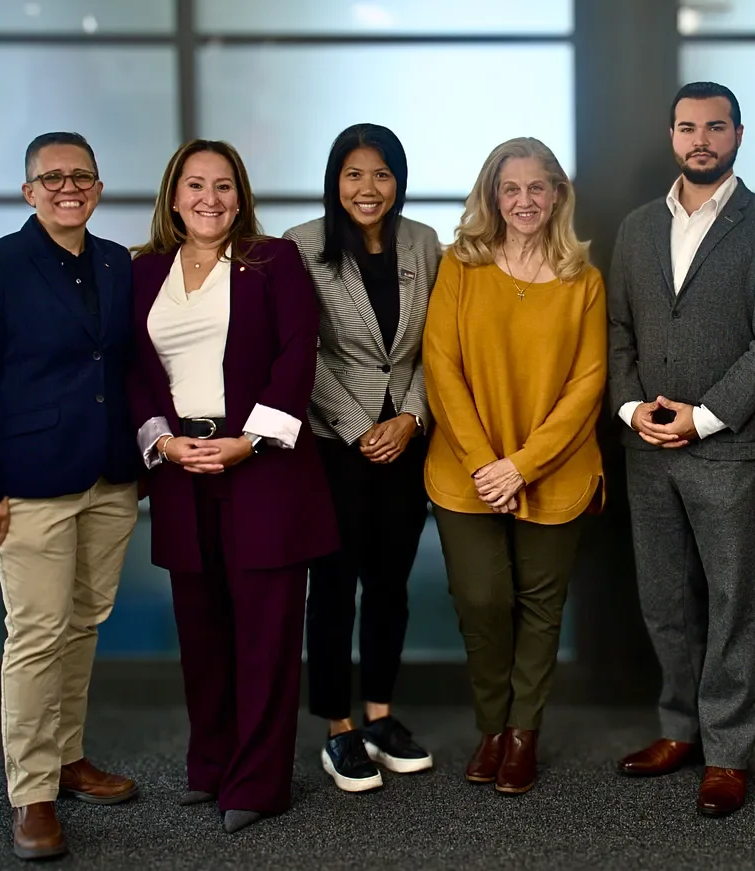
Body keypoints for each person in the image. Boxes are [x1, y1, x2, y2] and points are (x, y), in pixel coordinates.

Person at [128, 140, 338, 834]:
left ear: (240, 196)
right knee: (202, 631)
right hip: (181, 464)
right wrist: (162, 441)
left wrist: (251, 439)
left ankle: (258, 782)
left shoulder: (274, 259)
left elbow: (297, 353)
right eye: (195, 184)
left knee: (266, 634)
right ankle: (212, 764)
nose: (209, 198)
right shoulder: (143, 269)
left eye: (223, 185)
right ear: (173, 195)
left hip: (263, 464)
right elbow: (133, 370)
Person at [609, 82, 755, 817]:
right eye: (688, 127)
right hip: (647, 444)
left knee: (733, 603)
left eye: (715, 127)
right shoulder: (636, 228)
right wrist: (631, 408)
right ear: (671, 136)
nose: (701, 140)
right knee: (664, 600)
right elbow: (617, 329)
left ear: (738, 135)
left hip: (729, 447)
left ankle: (726, 752)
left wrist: (707, 417)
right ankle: (678, 729)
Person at [0, 132, 140, 860]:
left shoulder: (117, 261)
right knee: (36, 635)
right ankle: (31, 793)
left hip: (110, 476)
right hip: (27, 484)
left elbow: (124, 365)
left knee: (83, 623)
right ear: (29, 192)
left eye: (81, 176)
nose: (68, 187)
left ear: (98, 187)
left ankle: (66, 757)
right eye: (52, 178)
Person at [423, 137, 606, 796]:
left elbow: (588, 383)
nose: (524, 200)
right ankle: (491, 727)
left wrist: (522, 466)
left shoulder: (584, 279)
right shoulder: (459, 266)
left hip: (554, 466)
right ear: (492, 196)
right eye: (511, 188)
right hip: (466, 468)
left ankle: (522, 732)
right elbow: (440, 367)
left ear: (557, 195)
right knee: (482, 599)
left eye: (536, 187)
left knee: (540, 606)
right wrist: (486, 464)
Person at [283, 123, 440, 792]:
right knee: (332, 588)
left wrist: (410, 417)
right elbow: (301, 349)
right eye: (354, 174)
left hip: (407, 440)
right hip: (333, 444)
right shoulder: (301, 245)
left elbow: (438, 342)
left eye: (381, 173)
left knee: (389, 583)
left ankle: (379, 714)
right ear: (335, 181)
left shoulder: (423, 243)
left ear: (398, 180)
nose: (368, 187)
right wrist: (358, 426)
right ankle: (337, 726)